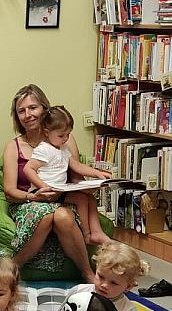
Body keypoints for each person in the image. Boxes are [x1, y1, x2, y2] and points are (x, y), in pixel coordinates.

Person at [3, 83, 95, 281]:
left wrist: (91, 184)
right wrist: (33, 197)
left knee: (62, 216)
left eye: (33, 108)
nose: (27, 115)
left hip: (62, 200)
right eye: (21, 111)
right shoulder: (13, 146)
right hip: (29, 201)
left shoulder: (64, 139)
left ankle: (87, 272)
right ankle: (13, 267)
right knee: (46, 215)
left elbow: (75, 175)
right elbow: (9, 191)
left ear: (45, 109)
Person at [23, 105, 112, 245]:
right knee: (81, 200)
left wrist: (98, 173)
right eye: (61, 135)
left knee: (88, 198)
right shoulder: (44, 150)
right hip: (43, 192)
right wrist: (42, 186)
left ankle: (94, 233)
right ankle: (86, 235)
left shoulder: (63, 148)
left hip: (59, 190)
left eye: (68, 134)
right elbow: (28, 169)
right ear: (46, 132)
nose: (65, 139)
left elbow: (77, 166)